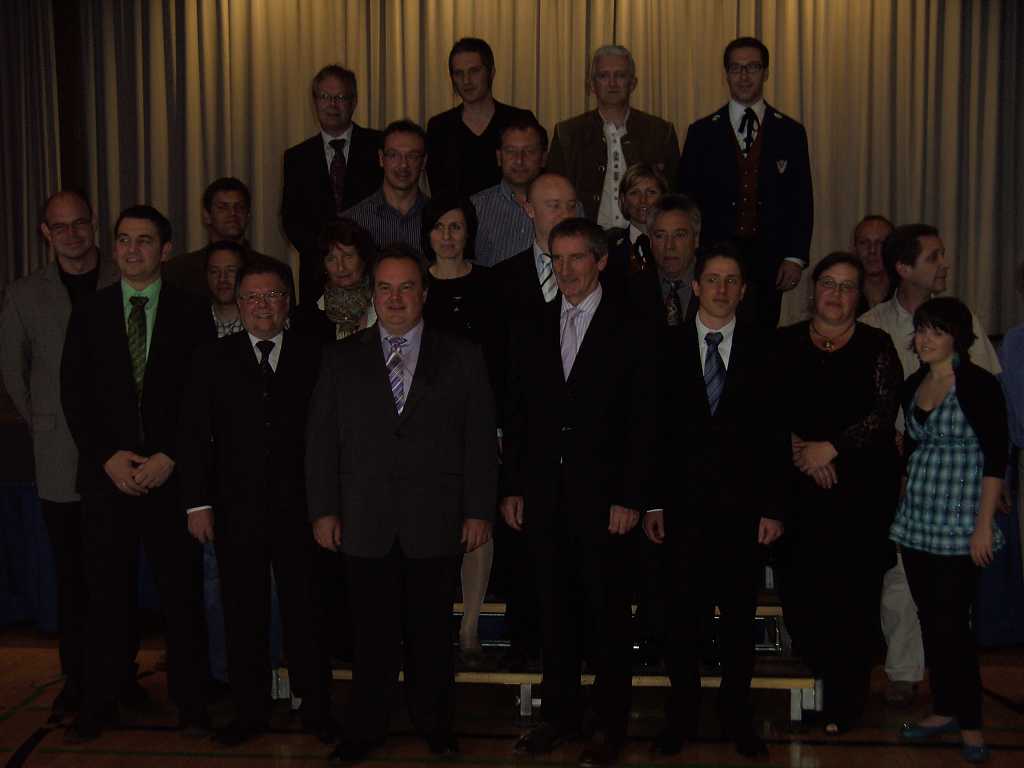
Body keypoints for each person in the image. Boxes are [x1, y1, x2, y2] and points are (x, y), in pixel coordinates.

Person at [306, 245, 497, 761]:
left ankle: (436, 725)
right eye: (385, 288)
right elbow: (321, 443)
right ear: (372, 295)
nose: (395, 299)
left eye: (406, 287)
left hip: (435, 520)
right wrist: (324, 510)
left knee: (431, 635)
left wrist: (478, 510)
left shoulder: (462, 356)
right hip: (363, 521)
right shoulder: (340, 358)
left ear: (424, 293)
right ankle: (365, 729)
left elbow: (480, 440)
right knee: (371, 638)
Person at [501, 218, 655, 767]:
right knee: (553, 611)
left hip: (606, 500)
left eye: (577, 258)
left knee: (607, 615)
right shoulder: (533, 325)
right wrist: (514, 486)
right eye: (557, 259)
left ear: (601, 261)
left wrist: (631, 496)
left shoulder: (633, 327)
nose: (566, 270)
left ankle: (609, 724)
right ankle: (559, 716)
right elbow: (518, 416)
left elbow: (644, 421)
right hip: (545, 496)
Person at [60, 205, 214, 741]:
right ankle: (99, 704)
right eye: (124, 240)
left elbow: (201, 396)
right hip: (110, 480)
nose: (131, 250)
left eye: (144, 240)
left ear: (165, 250)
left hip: (171, 479)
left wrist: (171, 455)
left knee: (181, 598)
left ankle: (192, 705)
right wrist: (106, 456)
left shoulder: (192, 311)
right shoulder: (90, 312)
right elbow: (74, 394)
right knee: (105, 599)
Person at [179, 257, 334, 747]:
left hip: (304, 509)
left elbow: (334, 436)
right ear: (238, 303)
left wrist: (331, 504)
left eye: (272, 296)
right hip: (234, 509)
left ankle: (316, 706)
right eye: (251, 297)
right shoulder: (211, 358)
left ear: (288, 303)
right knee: (243, 611)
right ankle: (250, 710)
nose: (262, 306)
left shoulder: (318, 355)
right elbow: (193, 435)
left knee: (307, 609)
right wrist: (197, 504)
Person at [643, 243, 787, 759]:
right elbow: (651, 432)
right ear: (695, 286)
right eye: (712, 279)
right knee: (682, 620)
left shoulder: (765, 349)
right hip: (681, 511)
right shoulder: (664, 346)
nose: (721, 289)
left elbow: (775, 436)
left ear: (743, 291)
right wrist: (652, 502)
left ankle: (736, 715)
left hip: (743, 512)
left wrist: (773, 507)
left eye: (731, 281)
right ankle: (681, 715)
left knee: (739, 622)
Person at [860, 224, 1002, 707]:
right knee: (901, 577)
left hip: (959, 482)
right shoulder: (875, 323)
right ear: (904, 268)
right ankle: (904, 671)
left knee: (952, 596)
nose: (944, 264)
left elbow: (990, 401)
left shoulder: (962, 319)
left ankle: (955, 692)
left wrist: (996, 484)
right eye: (934, 257)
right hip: (902, 473)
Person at [0, 190, 121, 723]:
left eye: (80, 224)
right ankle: (78, 679)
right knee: (72, 576)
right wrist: (46, 424)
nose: (72, 234)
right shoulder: (24, 294)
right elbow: (13, 374)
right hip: (58, 458)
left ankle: (119, 677)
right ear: (45, 234)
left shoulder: (125, 279)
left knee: (115, 573)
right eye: (60, 226)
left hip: (122, 454)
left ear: (94, 225)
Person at [775, 252, 902, 735]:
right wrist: (800, 452)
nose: (837, 294)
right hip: (799, 493)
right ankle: (819, 687)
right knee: (802, 597)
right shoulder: (784, 343)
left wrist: (831, 449)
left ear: (859, 296)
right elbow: (764, 407)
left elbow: (882, 413)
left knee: (853, 600)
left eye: (848, 286)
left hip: (859, 494)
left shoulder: (876, 344)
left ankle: (846, 702)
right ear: (813, 290)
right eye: (829, 283)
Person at [890, 297, 1007, 765]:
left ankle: (971, 723)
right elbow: (908, 454)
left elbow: (996, 458)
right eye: (921, 330)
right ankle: (944, 709)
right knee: (930, 621)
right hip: (918, 519)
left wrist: (984, 527)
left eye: (936, 331)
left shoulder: (978, 385)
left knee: (954, 625)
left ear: (957, 337)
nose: (925, 339)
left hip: (961, 522)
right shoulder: (912, 384)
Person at [677, 36, 813, 329]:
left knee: (762, 337)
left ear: (766, 72)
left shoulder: (790, 132)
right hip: (714, 256)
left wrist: (795, 257)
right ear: (726, 74)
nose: (744, 75)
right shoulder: (701, 132)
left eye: (752, 67)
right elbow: (686, 200)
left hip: (770, 260)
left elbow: (801, 199)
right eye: (736, 68)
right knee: (713, 328)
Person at [420, 197, 500, 666]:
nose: (448, 236)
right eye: (439, 227)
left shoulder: (490, 283)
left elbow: (503, 356)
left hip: (479, 418)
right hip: (424, 425)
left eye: (456, 226)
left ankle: (469, 627)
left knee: (477, 518)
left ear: (469, 232)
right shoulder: (413, 283)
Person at [281, 65, 383, 302]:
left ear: (354, 101)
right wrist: (329, 256)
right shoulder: (296, 157)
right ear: (315, 101)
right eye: (325, 97)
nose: (332, 105)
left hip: (371, 271)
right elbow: (291, 220)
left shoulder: (379, 146)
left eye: (341, 97)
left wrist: (358, 255)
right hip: (317, 275)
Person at [547, 45, 679, 226]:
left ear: (633, 83)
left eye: (620, 75)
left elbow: (675, 197)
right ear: (592, 85)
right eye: (603, 76)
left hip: (646, 236)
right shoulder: (568, 134)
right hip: (586, 237)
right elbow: (553, 195)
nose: (612, 83)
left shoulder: (660, 132)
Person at [426, 37, 537, 202]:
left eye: (474, 71)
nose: (466, 81)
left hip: (514, 215)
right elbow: (439, 192)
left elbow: (536, 180)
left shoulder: (519, 120)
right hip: (457, 217)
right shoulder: (440, 127)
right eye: (458, 73)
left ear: (491, 72)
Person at [163, 178, 270, 298]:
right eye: (222, 207)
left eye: (240, 207)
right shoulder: (179, 270)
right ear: (207, 216)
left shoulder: (269, 269)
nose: (233, 213)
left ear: (248, 215)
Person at [471, 116, 549, 266]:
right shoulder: (476, 207)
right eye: (511, 151)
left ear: (543, 157)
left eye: (529, 151)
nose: (519, 160)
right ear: (499, 157)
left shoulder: (566, 207)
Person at [342, 120, 429, 252]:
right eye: (393, 155)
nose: (403, 165)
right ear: (381, 158)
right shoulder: (353, 221)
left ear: (423, 162)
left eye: (412, 156)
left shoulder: (439, 220)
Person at [290, 218, 377, 343]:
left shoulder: (385, 305)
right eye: (331, 259)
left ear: (363, 259)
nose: (340, 267)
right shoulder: (306, 316)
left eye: (348, 257)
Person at [604, 162, 668, 281]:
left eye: (651, 192)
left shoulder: (677, 243)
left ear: (663, 197)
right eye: (634, 193)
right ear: (623, 199)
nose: (643, 200)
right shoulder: (608, 248)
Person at [852, 214, 894, 313]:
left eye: (881, 243)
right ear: (854, 249)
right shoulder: (845, 296)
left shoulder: (905, 297)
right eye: (864, 243)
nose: (872, 250)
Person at [204, 241, 247, 337]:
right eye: (214, 271)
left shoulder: (258, 324)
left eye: (231, 270)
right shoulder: (191, 324)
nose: (222, 279)